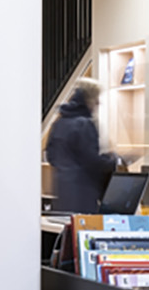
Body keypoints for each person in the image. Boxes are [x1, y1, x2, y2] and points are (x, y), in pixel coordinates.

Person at [46, 78, 123, 214]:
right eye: (96, 98)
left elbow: (50, 156)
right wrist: (114, 160)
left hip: (62, 194)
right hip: (83, 195)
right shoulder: (84, 124)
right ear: (89, 99)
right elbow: (92, 161)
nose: (99, 103)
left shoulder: (59, 123)